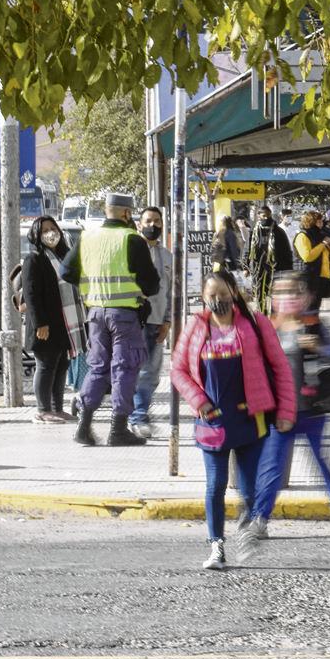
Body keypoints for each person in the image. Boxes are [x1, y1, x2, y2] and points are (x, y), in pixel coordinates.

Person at [170, 271, 296, 571]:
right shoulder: (195, 326)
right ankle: (217, 546)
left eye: (224, 295)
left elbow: (280, 367)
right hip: (212, 422)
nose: (219, 302)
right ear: (203, 296)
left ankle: (250, 528)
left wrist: (286, 412)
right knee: (215, 486)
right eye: (212, 296)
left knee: (250, 488)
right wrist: (198, 401)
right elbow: (177, 370)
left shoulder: (256, 323)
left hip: (250, 419)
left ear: (234, 293)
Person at [250, 274, 330, 545]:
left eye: (292, 292)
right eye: (280, 292)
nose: (286, 298)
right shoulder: (269, 328)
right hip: (281, 412)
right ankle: (260, 518)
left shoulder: (315, 326)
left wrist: (318, 347)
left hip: (311, 408)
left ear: (304, 296)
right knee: (272, 465)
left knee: (320, 460)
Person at [61, 192, 160, 447]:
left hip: (95, 314)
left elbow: (66, 271)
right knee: (125, 368)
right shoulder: (132, 240)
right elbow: (151, 285)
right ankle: (118, 430)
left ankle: (83, 427)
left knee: (98, 368)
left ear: (106, 210)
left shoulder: (87, 237)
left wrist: (90, 284)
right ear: (127, 214)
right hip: (125, 316)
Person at [21, 217, 86, 424]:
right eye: (44, 231)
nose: (50, 233)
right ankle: (42, 410)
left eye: (53, 229)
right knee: (46, 365)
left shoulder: (64, 256)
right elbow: (31, 295)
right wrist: (40, 324)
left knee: (61, 365)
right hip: (45, 325)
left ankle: (57, 409)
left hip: (64, 324)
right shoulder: (35, 258)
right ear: (37, 236)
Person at [129, 207, 173, 436]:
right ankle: (135, 417)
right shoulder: (131, 251)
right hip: (134, 320)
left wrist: (167, 321)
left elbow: (170, 291)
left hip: (157, 322)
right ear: (139, 224)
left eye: (157, 221)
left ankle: (140, 415)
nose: (152, 225)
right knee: (133, 370)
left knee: (151, 373)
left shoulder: (167, 256)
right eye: (148, 221)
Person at [246, 205, 294, 314]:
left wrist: (289, 270)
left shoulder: (278, 232)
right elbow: (247, 250)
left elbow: (286, 252)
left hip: (275, 269)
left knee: (275, 295)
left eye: (268, 215)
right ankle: (262, 315)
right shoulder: (254, 232)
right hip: (258, 269)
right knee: (259, 294)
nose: (266, 218)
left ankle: (273, 316)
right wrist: (245, 265)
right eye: (264, 216)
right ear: (259, 216)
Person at [293, 210, 330, 302]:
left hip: (319, 276)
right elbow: (307, 257)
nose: (321, 225)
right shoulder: (302, 236)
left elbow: (324, 255)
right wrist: (323, 244)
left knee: (315, 306)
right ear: (311, 222)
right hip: (307, 277)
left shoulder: (318, 236)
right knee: (307, 306)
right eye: (319, 222)